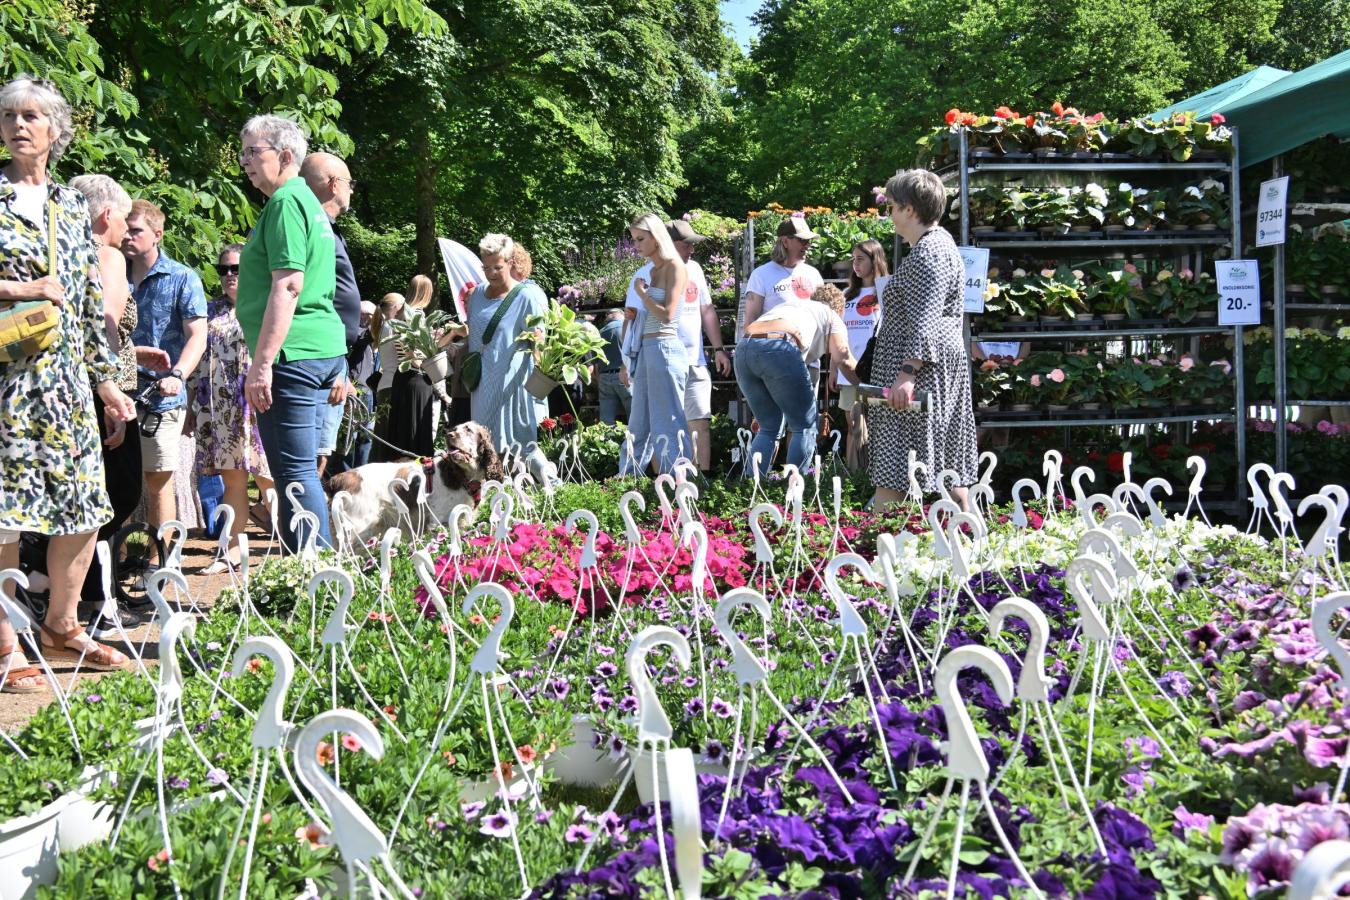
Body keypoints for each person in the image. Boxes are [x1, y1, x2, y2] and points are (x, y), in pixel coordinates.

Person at [0, 75, 139, 688]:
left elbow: (86, 305)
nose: (19, 125)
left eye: (32, 116)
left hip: (64, 385)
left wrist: (107, 383)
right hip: (5, 380)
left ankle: (60, 625)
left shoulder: (67, 208)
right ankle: (6, 641)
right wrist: (18, 289)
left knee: (85, 504)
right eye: (9, 116)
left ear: (55, 131)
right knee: (5, 513)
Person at [236, 113, 346, 553]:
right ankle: (310, 572)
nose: (244, 160)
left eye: (252, 151)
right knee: (297, 472)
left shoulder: (285, 203)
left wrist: (261, 365)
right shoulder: (307, 202)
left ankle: (316, 581)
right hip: (318, 351)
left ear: (284, 155)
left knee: (296, 474)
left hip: (294, 355)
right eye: (242, 151)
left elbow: (288, 284)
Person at [871, 169, 978, 511]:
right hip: (936, 367)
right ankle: (971, 541)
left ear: (910, 210)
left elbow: (925, 319)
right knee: (947, 466)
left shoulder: (928, 253)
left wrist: (906, 374)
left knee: (897, 463)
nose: (889, 214)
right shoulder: (939, 246)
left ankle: (875, 548)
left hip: (920, 373)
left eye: (892, 207)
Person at [66, 174, 147, 621]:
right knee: (116, 494)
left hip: (66, 389)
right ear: (106, 214)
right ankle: (96, 600)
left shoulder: (60, 254)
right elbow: (106, 325)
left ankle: (69, 597)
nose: (127, 226)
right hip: (106, 388)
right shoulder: (109, 256)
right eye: (125, 215)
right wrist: (113, 397)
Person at [122, 198, 207, 540]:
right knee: (119, 479)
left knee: (158, 479)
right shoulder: (112, 275)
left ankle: (160, 562)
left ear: (157, 234)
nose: (127, 236)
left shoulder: (182, 277)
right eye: (124, 229)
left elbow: (197, 336)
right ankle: (120, 563)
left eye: (136, 230)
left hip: (162, 397)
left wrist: (178, 375)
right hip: (116, 392)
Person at [192, 243, 275, 571]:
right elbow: (198, 361)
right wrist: (191, 407)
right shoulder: (209, 311)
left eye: (236, 269)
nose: (228, 275)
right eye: (223, 269)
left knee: (269, 478)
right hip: (220, 412)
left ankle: (295, 548)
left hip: (259, 405)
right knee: (234, 482)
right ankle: (231, 552)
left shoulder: (266, 306)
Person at [738, 283, 857, 474]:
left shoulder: (794, 307)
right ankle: (796, 491)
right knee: (805, 426)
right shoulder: (832, 316)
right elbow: (844, 360)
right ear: (840, 309)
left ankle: (751, 490)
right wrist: (865, 385)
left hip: (744, 348)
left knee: (768, 426)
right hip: (779, 346)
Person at [466, 232, 549, 477]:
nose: (491, 273)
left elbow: (539, 344)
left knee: (520, 444)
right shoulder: (477, 295)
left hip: (512, 383)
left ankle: (551, 486)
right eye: (486, 267)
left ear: (511, 263)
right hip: (481, 384)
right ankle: (497, 495)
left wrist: (541, 386)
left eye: (497, 267)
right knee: (484, 443)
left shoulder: (526, 296)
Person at [299, 152, 360, 477]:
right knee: (314, 451)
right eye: (349, 183)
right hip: (320, 357)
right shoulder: (314, 227)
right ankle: (288, 518)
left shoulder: (327, 229)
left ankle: (284, 514)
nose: (352, 190)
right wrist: (336, 365)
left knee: (320, 448)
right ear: (334, 184)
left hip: (331, 357)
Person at [622, 213, 689, 475]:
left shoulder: (674, 266)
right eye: (634, 239)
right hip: (648, 349)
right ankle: (625, 480)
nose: (636, 245)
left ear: (656, 236)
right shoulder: (651, 271)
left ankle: (678, 482)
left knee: (668, 421)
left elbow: (668, 314)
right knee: (638, 422)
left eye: (640, 239)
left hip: (665, 346)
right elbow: (649, 313)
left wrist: (641, 294)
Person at [668, 218, 730, 473]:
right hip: (666, 361)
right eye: (687, 244)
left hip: (696, 361)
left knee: (700, 422)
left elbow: (706, 310)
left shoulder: (695, 269)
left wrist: (718, 350)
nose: (692, 250)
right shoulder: (651, 272)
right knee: (668, 424)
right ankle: (668, 481)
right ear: (670, 244)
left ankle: (701, 481)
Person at [372, 274, 447, 460]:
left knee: (390, 441)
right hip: (409, 383)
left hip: (394, 382)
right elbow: (410, 356)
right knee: (409, 441)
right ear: (427, 293)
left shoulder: (394, 319)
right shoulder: (410, 317)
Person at [830, 239, 889, 468]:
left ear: (876, 260)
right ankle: (853, 477)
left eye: (861, 259)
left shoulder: (885, 291)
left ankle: (875, 475)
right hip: (848, 372)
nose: (855, 264)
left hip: (877, 371)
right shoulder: (846, 294)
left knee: (875, 428)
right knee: (853, 426)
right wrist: (834, 369)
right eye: (853, 259)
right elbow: (835, 334)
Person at [596, 308, 629, 424]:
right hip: (624, 375)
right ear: (621, 315)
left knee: (606, 421)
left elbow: (595, 360)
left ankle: (606, 441)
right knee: (634, 415)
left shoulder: (599, 333)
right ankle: (634, 441)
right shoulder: (626, 329)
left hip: (604, 377)